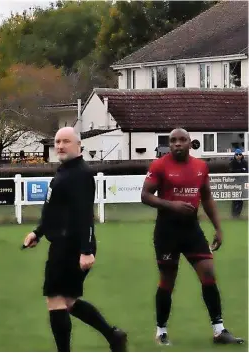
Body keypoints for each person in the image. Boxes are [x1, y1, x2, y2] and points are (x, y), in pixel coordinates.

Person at [22, 127, 127, 352]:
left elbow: (84, 214)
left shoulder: (79, 173)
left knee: (55, 300)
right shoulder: (65, 171)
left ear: (79, 146)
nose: (60, 146)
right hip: (63, 244)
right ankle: (114, 336)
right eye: (57, 141)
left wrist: (86, 250)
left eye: (65, 141)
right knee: (67, 302)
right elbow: (57, 211)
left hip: (71, 246)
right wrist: (38, 233)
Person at [141, 128, 244, 346]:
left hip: (191, 229)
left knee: (208, 273)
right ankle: (161, 331)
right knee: (167, 280)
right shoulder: (160, 165)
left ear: (190, 143)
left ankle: (219, 330)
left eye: (182, 140)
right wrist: (172, 205)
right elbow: (145, 195)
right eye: (173, 141)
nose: (177, 143)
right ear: (169, 145)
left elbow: (207, 198)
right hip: (167, 231)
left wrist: (218, 228)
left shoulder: (200, 167)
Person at [229, 148, 247, 218]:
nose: (238, 156)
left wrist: (240, 171)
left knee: (241, 199)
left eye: (240, 154)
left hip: (242, 183)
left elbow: (246, 171)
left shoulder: (245, 162)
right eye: (237, 154)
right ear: (235, 155)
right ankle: (233, 215)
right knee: (235, 198)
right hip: (234, 183)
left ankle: (238, 215)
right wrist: (241, 170)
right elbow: (231, 171)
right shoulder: (232, 162)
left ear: (242, 155)